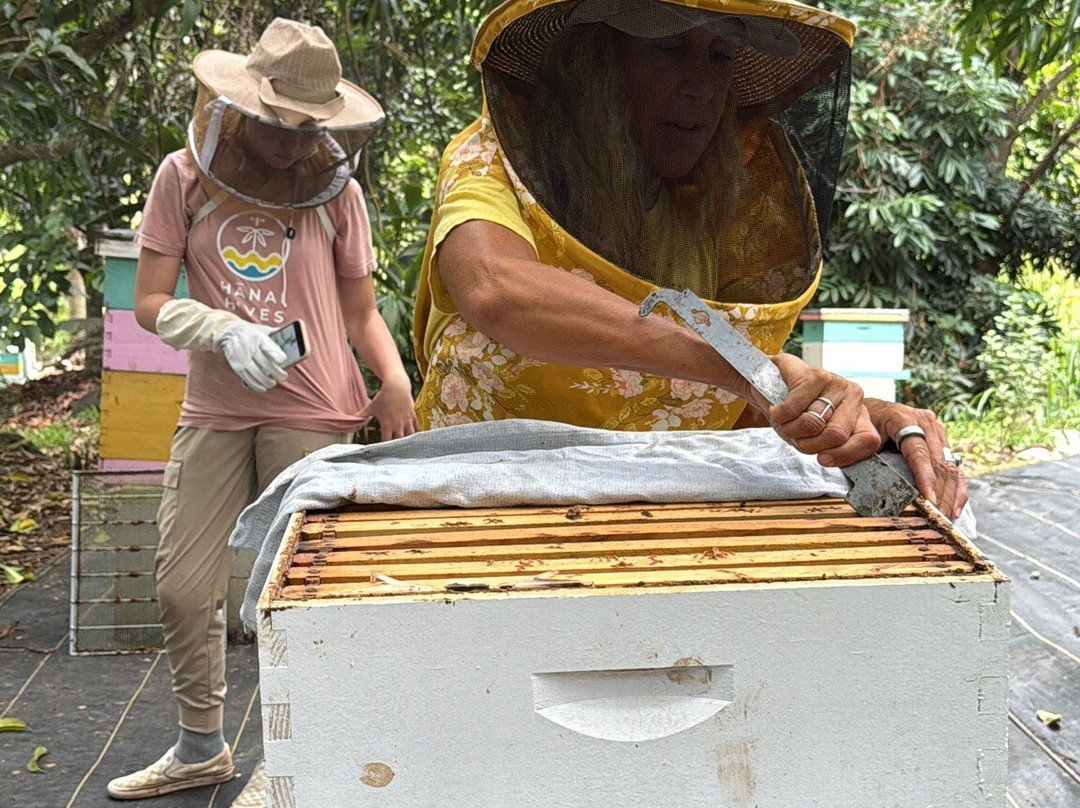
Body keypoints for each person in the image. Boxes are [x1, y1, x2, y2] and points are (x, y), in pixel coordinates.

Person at [413, 0, 966, 517]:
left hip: (651, 522)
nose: (701, 87)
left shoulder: (710, 202)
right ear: (594, 62)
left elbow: (717, 399)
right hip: (481, 507)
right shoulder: (488, 158)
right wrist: (742, 367)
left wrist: (859, 415)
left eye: (720, 56)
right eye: (669, 48)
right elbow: (496, 286)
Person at [106, 18, 417, 803]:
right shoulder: (182, 176)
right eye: (279, 122)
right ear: (244, 105)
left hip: (314, 403)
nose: (291, 140)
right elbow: (147, 302)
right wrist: (215, 325)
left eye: (308, 125)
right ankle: (202, 746)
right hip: (216, 402)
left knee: (303, 590)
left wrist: (394, 377)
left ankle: (310, 759)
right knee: (183, 586)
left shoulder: (336, 190)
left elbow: (359, 309)